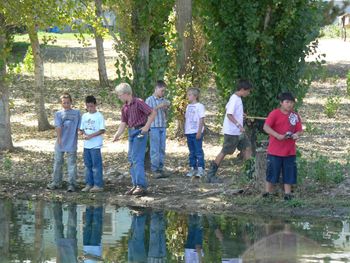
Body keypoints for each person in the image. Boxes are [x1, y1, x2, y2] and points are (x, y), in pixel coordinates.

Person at [113, 83, 156, 196]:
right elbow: (123, 123)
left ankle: (141, 186)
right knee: (131, 158)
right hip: (131, 132)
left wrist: (146, 127)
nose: (119, 97)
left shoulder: (139, 102)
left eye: (120, 95)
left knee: (137, 158)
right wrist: (117, 134)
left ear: (127, 94)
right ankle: (135, 184)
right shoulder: (125, 107)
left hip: (140, 132)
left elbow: (152, 113)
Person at [206, 80, 253, 183]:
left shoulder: (237, 98)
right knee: (224, 152)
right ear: (242, 90)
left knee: (247, 147)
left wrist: (241, 114)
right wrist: (238, 125)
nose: (248, 93)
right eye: (248, 91)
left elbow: (229, 109)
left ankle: (250, 174)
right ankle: (211, 174)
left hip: (238, 132)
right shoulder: (234, 99)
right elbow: (229, 114)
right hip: (232, 132)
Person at [263, 92, 303, 201]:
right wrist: (277, 135)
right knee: (272, 171)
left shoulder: (295, 115)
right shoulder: (275, 114)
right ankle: (267, 193)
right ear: (281, 103)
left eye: (292, 103)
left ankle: (287, 194)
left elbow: (300, 130)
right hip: (275, 151)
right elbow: (266, 127)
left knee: (289, 172)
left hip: (290, 151)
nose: (289, 105)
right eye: (287, 102)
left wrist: (296, 135)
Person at [47, 93, 81, 192]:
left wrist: (81, 132)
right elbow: (58, 126)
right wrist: (59, 138)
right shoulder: (58, 114)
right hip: (60, 142)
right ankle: (56, 182)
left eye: (68, 102)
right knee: (58, 162)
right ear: (61, 103)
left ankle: (72, 184)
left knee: (71, 163)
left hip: (72, 142)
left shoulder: (77, 113)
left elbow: (79, 127)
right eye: (64, 103)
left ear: (71, 102)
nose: (66, 104)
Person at [80, 96, 106, 193]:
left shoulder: (99, 116)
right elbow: (81, 129)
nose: (90, 108)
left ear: (95, 105)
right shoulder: (85, 116)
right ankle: (89, 184)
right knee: (88, 165)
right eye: (88, 107)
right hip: (86, 145)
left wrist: (91, 136)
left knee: (96, 165)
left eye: (91, 106)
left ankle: (98, 184)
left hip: (95, 145)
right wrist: (82, 134)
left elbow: (102, 130)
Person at [145, 80, 170, 179]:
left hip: (162, 126)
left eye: (164, 91)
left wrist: (166, 108)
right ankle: (154, 169)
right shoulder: (149, 100)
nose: (163, 93)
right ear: (156, 89)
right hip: (154, 127)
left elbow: (166, 114)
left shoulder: (163, 100)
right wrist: (158, 106)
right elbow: (148, 112)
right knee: (155, 149)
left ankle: (161, 168)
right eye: (162, 91)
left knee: (162, 148)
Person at [185, 88, 206, 178]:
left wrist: (199, 131)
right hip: (189, 132)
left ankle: (201, 169)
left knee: (198, 151)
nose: (188, 96)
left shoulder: (200, 106)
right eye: (188, 94)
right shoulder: (188, 106)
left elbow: (201, 119)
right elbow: (187, 119)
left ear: (195, 96)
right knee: (191, 151)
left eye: (190, 95)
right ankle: (193, 168)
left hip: (196, 132)